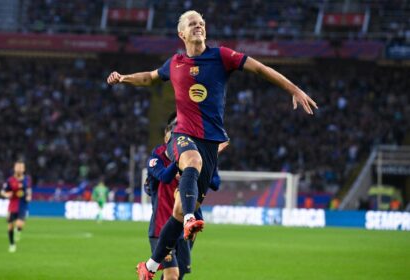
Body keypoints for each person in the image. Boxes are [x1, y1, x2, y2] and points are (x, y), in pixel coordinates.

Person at [107, 10, 317, 279]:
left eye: (202, 23)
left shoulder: (222, 56)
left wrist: (294, 89)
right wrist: (123, 78)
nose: (199, 27)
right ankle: (191, 219)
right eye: (192, 24)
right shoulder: (174, 63)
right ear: (181, 34)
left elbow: (261, 69)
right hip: (183, 136)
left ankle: (148, 267)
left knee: (178, 209)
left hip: (210, 142)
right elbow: (149, 77)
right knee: (190, 170)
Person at [145, 112, 221, 280]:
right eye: (173, 132)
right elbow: (162, 178)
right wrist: (184, 163)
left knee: (179, 275)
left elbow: (215, 183)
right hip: (162, 225)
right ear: (167, 134)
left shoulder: (197, 156)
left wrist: (199, 169)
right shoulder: (156, 157)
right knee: (172, 275)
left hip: (187, 226)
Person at [0, 160, 32, 253]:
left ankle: (18, 231)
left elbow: (29, 190)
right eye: (18, 167)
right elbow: (2, 191)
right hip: (12, 205)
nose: (19, 169)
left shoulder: (27, 179)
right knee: (10, 226)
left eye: (21, 167)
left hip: (23, 205)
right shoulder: (10, 180)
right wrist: (6, 195)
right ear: (14, 168)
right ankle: (12, 244)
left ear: (24, 169)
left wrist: (29, 196)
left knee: (19, 224)